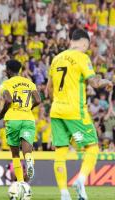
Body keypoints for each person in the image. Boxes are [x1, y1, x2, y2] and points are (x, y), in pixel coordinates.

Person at [46, 29, 113, 200]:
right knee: (92, 146)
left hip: (56, 110)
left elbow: (48, 90)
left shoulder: (55, 59)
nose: (87, 49)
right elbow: (95, 82)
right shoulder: (82, 57)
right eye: (87, 46)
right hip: (75, 110)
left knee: (60, 152)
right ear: (84, 42)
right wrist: (106, 81)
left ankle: (64, 194)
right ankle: (81, 180)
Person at [0, 59, 41, 182]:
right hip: (28, 119)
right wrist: (28, 108)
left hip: (13, 119)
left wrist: (1, 113)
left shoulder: (5, 84)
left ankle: (20, 182)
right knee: (27, 149)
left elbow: (9, 100)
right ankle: (29, 161)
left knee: (15, 154)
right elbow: (38, 100)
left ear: (9, 70)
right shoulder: (29, 82)